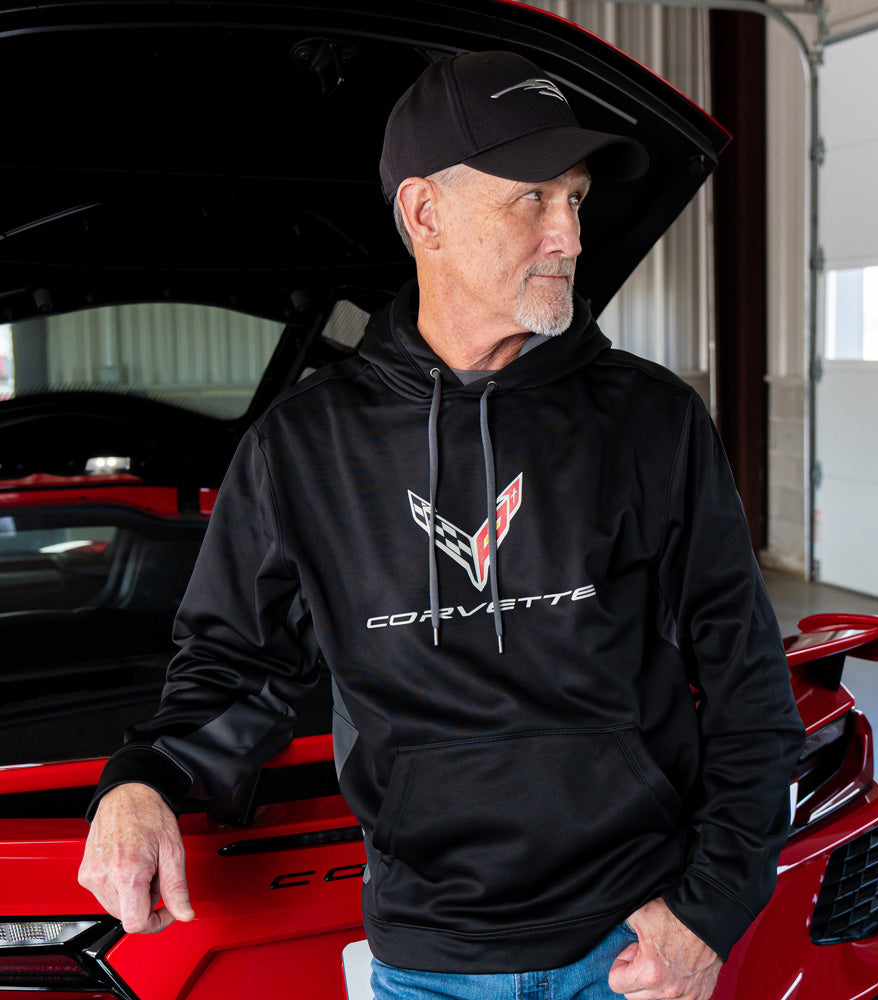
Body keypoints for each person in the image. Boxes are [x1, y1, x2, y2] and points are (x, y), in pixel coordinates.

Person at [79, 50, 805, 1000]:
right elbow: (237, 667)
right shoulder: (304, 448)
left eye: (577, 200)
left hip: (633, 947)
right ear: (425, 214)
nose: (571, 236)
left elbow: (751, 687)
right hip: (430, 961)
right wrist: (142, 781)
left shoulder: (652, 423)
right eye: (534, 199)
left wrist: (710, 912)